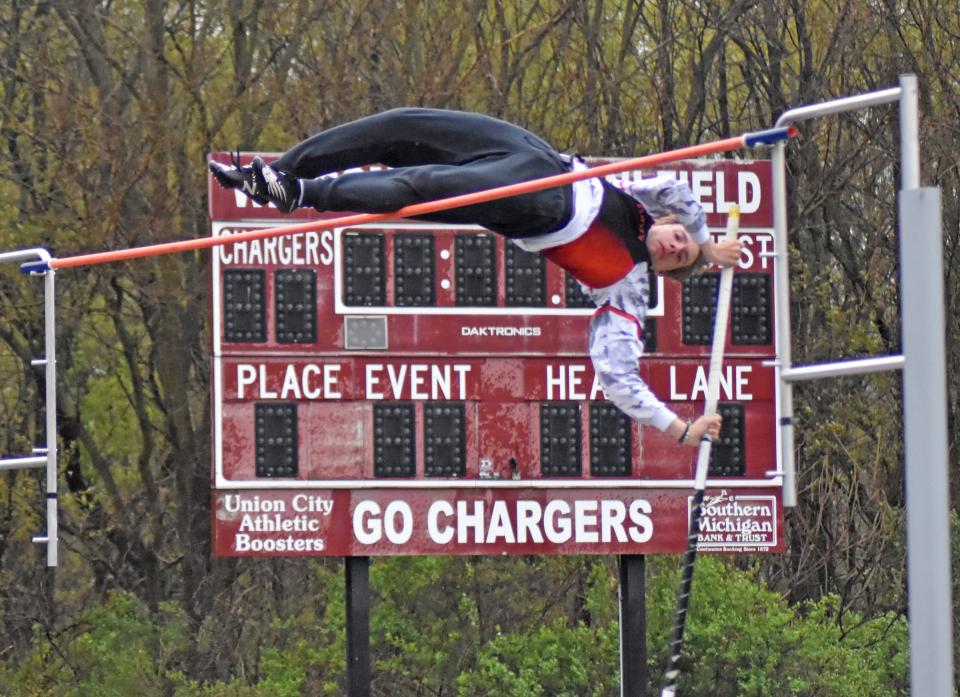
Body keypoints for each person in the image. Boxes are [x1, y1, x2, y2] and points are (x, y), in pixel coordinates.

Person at [209, 108, 741, 448]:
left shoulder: (625, 285)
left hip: (542, 203)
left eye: (677, 258)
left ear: (663, 272)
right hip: (536, 152)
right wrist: (710, 246)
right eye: (679, 240)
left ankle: (302, 196)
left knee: (425, 186)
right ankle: (279, 175)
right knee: (403, 128)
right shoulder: (647, 201)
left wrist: (680, 430)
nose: (674, 247)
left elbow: (618, 378)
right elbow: (680, 193)